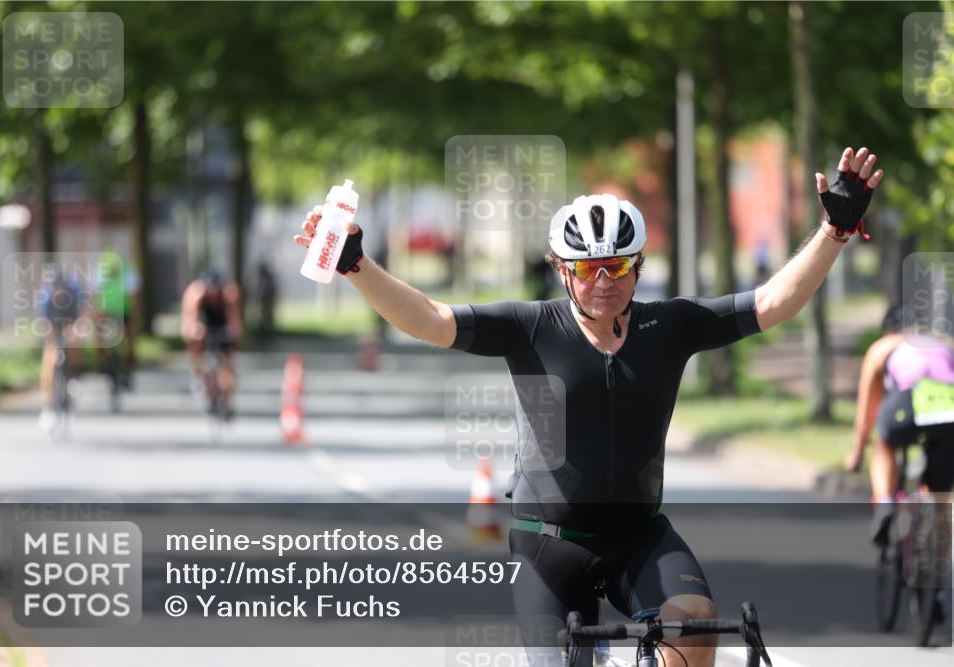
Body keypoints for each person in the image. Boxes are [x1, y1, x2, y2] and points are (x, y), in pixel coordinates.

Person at [293, 146, 883, 667]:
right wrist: (356, 265)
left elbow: (773, 303)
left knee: (695, 626)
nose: (606, 281)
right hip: (549, 544)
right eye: (589, 270)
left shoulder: (668, 325)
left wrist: (833, 231)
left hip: (639, 537)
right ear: (562, 270)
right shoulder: (531, 328)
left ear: (638, 267)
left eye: (620, 267)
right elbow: (431, 320)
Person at [845, 303, 954, 545]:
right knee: (940, 498)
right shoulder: (944, 345)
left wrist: (858, 453)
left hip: (909, 399)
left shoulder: (884, 346)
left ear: (888, 330)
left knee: (884, 443)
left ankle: (884, 502)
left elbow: (866, 414)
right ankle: (936, 568)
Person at [180, 271, 242, 418]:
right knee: (195, 338)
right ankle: (197, 373)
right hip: (204, 321)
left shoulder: (229, 293)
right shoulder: (195, 294)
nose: (213, 296)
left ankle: (228, 401)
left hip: (222, 321)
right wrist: (194, 330)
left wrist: (234, 333)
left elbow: (235, 321)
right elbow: (188, 322)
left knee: (228, 363)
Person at [37, 267, 86, 431]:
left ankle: (74, 376)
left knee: (74, 346)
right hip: (53, 328)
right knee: (49, 364)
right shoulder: (46, 299)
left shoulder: (75, 296)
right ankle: (48, 409)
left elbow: (81, 320)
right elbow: (46, 327)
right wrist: (55, 346)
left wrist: (74, 334)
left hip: (70, 324)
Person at [93, 250, 141, 389]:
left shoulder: (128, 273)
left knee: (131, 337)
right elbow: (96, 295)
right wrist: (98, 313)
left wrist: (134, 316)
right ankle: (101, 362)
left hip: (124, 312)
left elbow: (134, 297)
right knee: (99, 334)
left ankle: (129, 367)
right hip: (107, 312)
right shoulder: (101, 273)